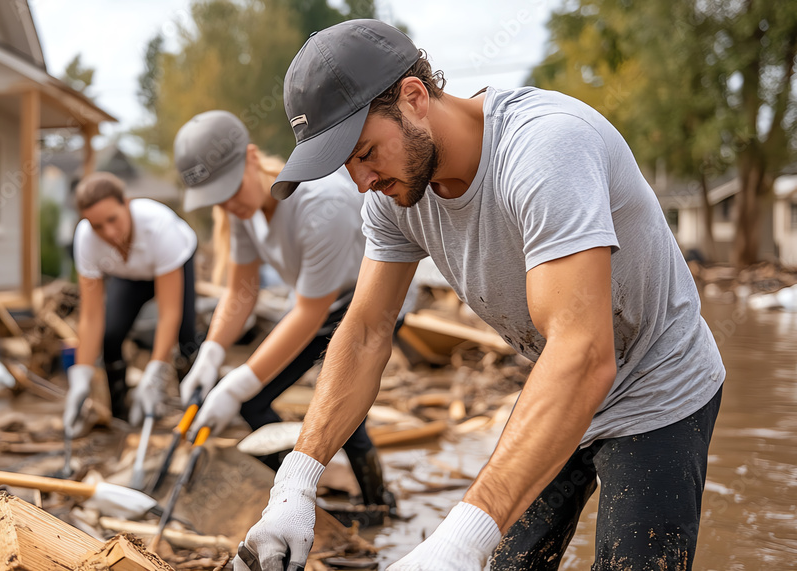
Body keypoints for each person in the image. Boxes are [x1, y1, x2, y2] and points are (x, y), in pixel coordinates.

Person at [234, 19, 725, 571]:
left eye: (366, 151)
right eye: (347, 165)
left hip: (656, 387)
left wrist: (460, 539)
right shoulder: (395, 196)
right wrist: (297, 480)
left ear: (414, 98)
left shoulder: (544, 150)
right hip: (555, 382)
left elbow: (586, 355)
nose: (362, 181)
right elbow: (368, 331)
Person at [172, 110, 397, 513]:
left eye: (230, 190)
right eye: (217, 199)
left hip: (370, 300)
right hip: (321, 305)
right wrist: (211, 355)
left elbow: (310, 313)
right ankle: (289, 495)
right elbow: (242, 291)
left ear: (252, 158)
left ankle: (380, 504)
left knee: (344, 407)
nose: (228, 205)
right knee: (254, 403)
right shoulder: (244, 209)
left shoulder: (318, 203)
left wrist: (237, 381)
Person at [64, 172, 199, 437]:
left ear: (126, 203)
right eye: (97, 226)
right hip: (130, 275)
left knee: (185, 336)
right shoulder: (86, 239)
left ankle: (192, 411)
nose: (109, 233)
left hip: (173, 263)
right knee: (111, 334)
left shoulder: (159, 226)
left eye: (113, 219)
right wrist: (81, 376)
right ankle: (121, 415)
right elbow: (91, 316)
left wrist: (156, 370)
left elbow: (168, 312)